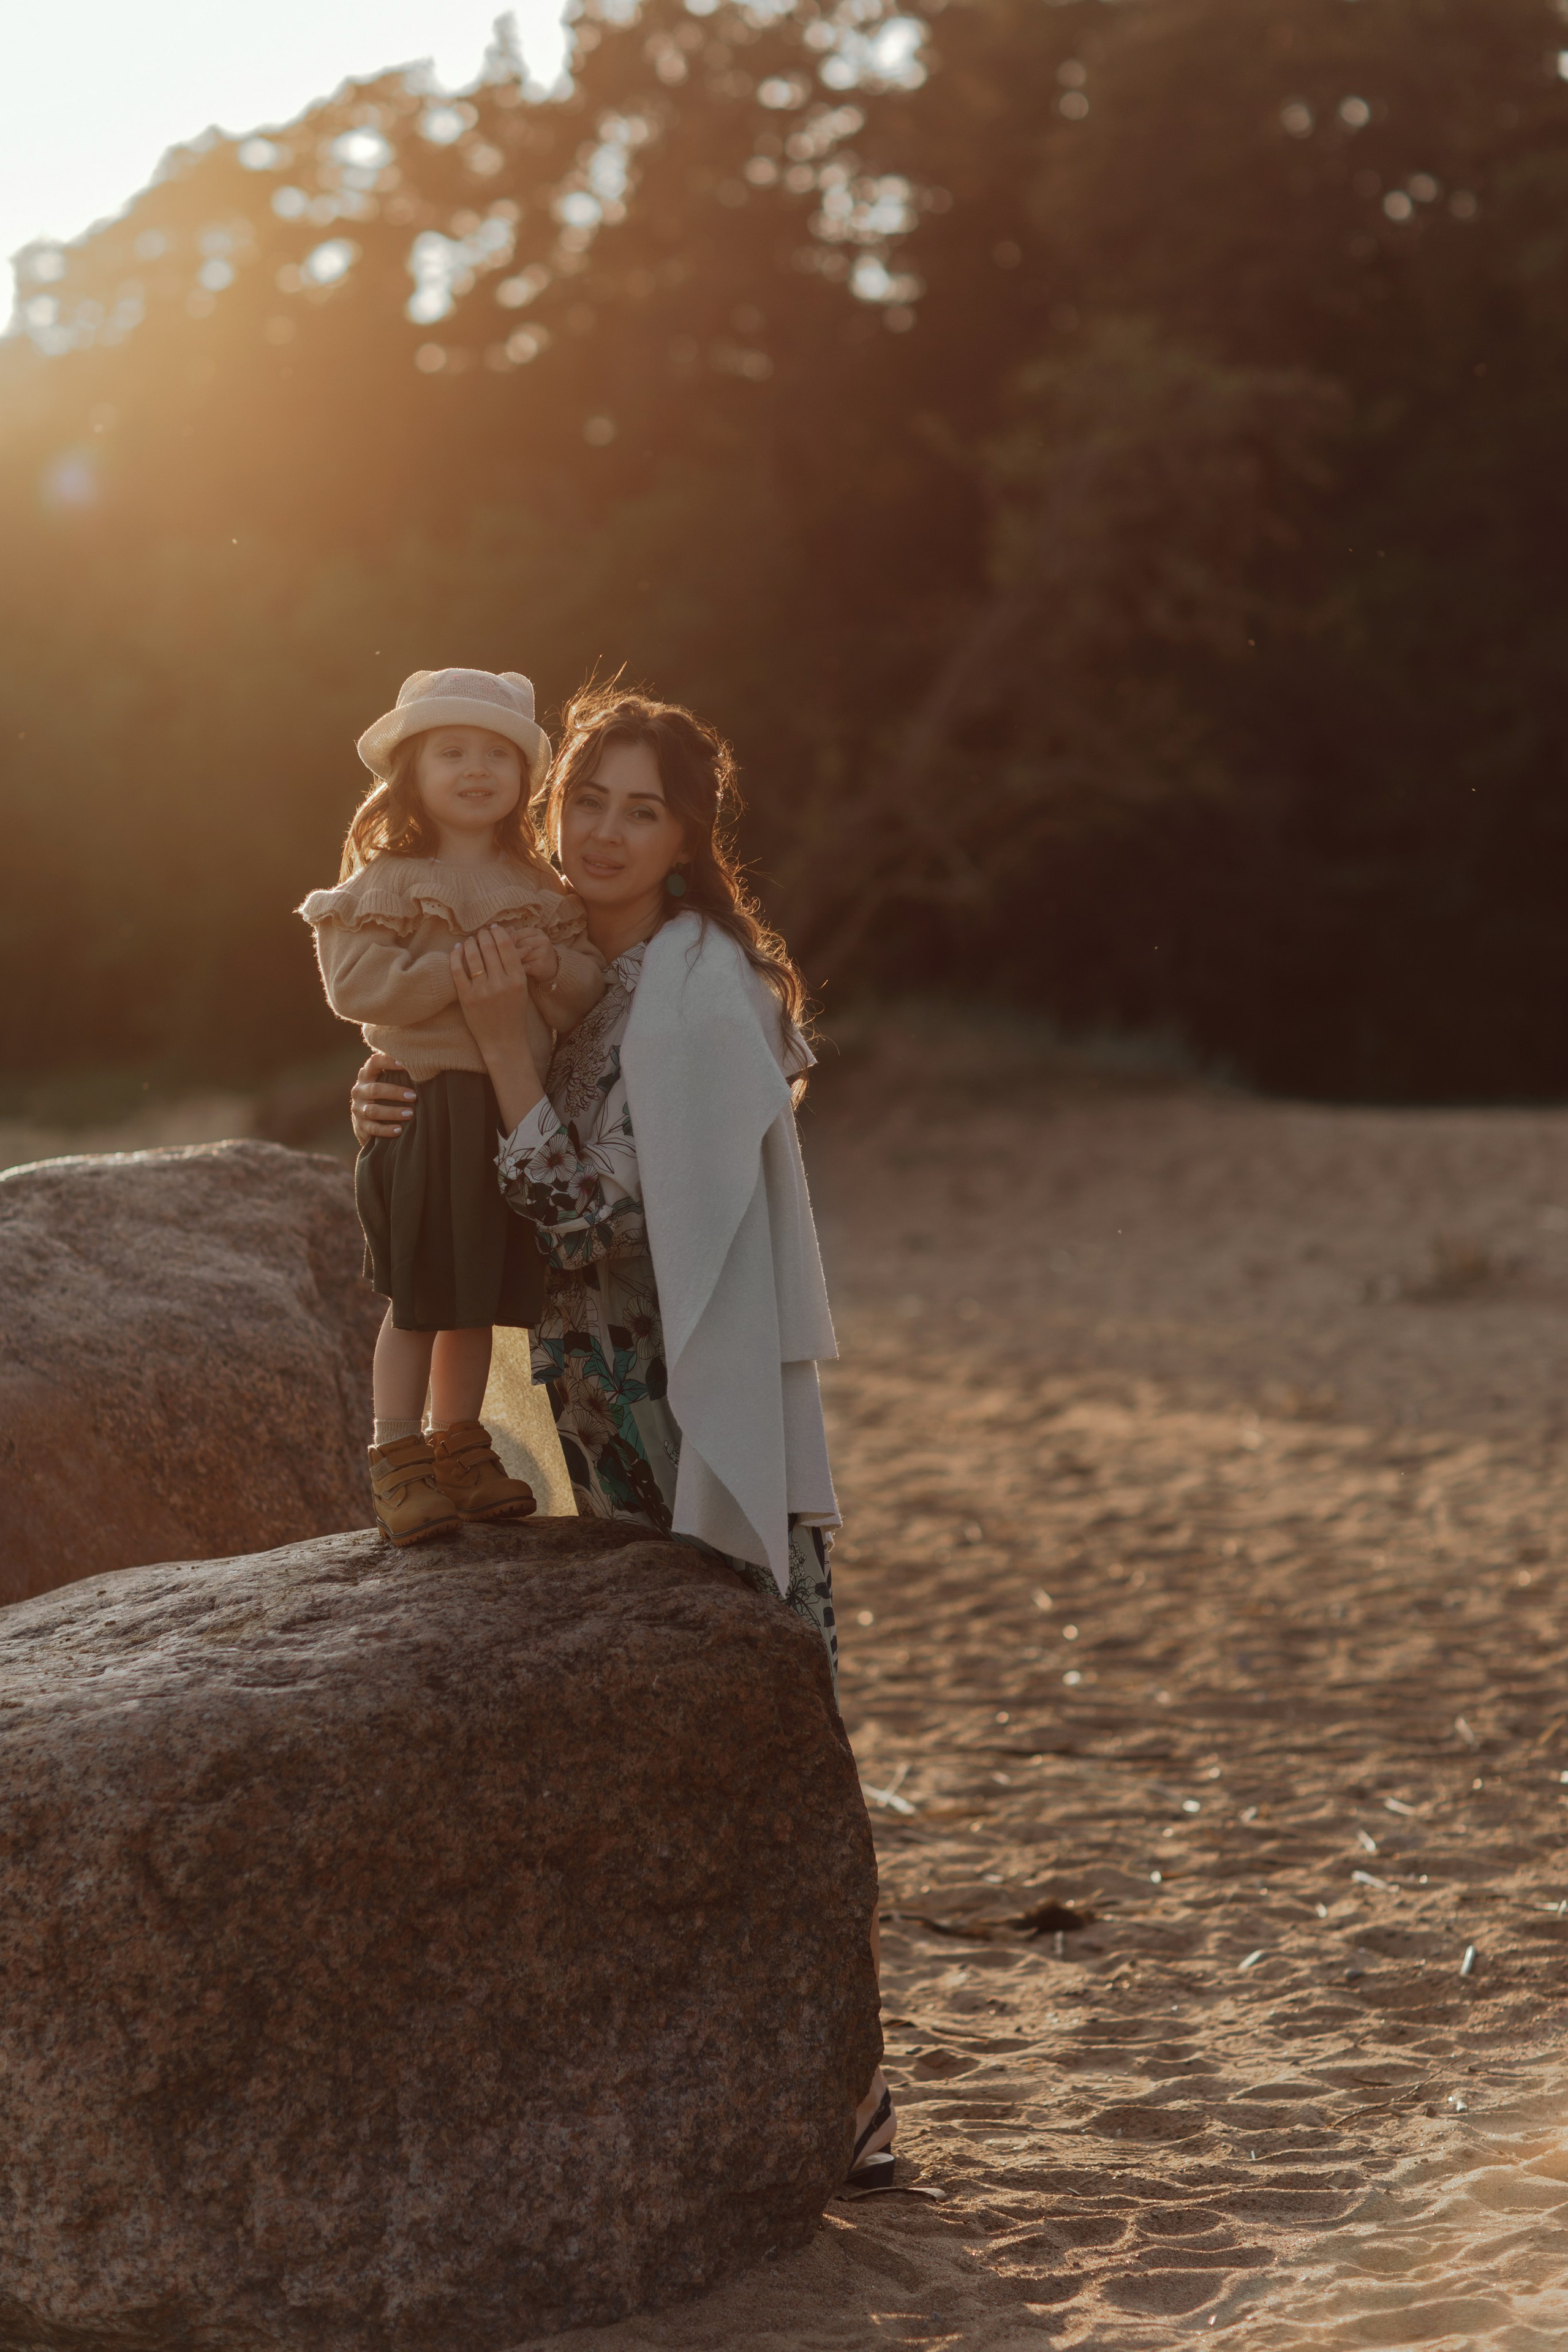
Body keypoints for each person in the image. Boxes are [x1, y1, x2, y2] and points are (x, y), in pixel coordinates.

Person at [351, 682, 895, 2190]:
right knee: (679, 1745)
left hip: (686, 1408)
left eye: (638, 811)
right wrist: (407, 1084)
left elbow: (595, 1221)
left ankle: (848, 2088)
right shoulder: (572, 956)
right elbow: (455, 1105)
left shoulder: (698, 987)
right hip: (602, 1406)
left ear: (684, 837)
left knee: (770, 1729)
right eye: (584, 800)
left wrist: (497, 1056)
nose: (600, 832)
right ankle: (740, 2086)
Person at [301, 667, 605, 1546]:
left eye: (497, 756)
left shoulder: (540, 886)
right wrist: (465, 974)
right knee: (421, 1300)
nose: (476, 770)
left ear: (524, 778)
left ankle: (461, 1446)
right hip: (426, 1110)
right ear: (412, 772)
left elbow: (583, 991)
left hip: (512, 1121)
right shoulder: (393, 877)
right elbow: (357, 987)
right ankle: (395, 1457)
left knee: (475, 1298)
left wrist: (546, 968)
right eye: (452, 752)